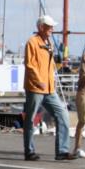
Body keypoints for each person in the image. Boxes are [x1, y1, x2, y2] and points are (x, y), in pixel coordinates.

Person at [23, 15, 71, 161]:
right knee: (30, 119)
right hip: (36, 88)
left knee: (62, 115)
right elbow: (29, 65)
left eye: (52, 27)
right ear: (41, 27)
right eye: (49, 26)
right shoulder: (32, 42)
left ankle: (62, 151)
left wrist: (52, 81)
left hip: (50, 89)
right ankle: (29, 151)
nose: (52, 29)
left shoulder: (48, 42)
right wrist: (39, 81)